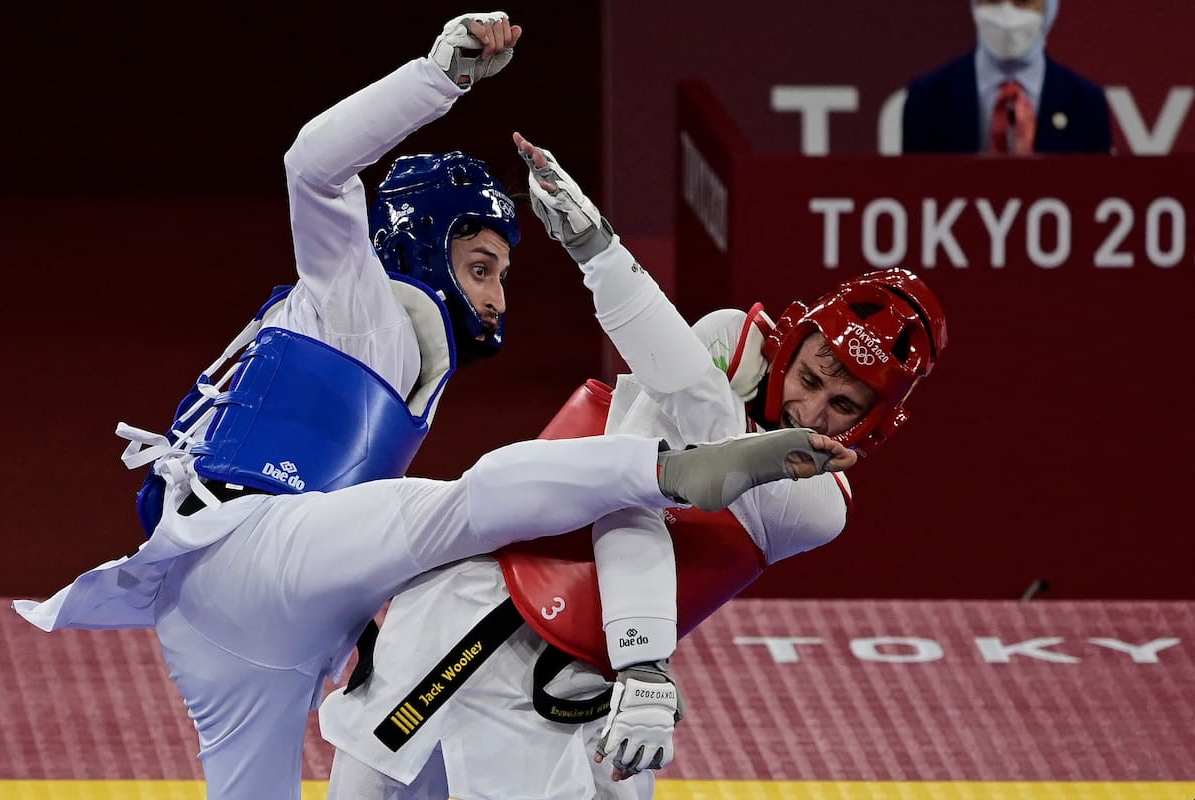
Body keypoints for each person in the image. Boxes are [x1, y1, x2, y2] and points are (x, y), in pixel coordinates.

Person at [10, 13, 843, 800]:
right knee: (467, 503)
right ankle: (679, 471)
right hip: (256, 547)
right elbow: (313, 165)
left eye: (502, 277)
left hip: (235, 626)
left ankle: (665, 473)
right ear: (416, 236)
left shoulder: (399, 346)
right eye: (480, 266)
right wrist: (438, 76)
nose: (495, 298)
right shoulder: (355, 290)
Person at [316, 134, 948, 799]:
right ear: (791, 341)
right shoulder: (727, 341)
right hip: (482, 606)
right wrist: (646, 661)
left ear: (872, 426)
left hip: (591, 686)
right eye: (812, 376)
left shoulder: (816, 508)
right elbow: (629, 486)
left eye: (842, 405)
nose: (808, 409)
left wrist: (599, 252)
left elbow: (703, 420)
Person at [902, 0, 1111, 155]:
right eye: (993, 0)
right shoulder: (927, 99)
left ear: (1049, 8)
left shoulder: (1086, 103)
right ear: (975, 5)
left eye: (1023, 2)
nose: (1006, 14)